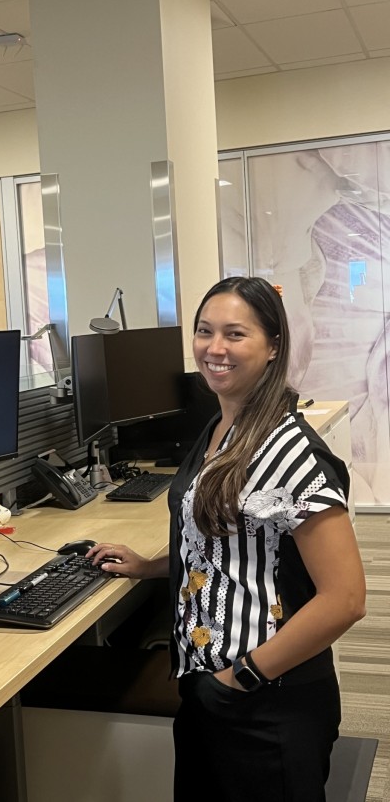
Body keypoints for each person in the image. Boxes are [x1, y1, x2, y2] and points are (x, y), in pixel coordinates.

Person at [88, 276, 366, 802]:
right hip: (209, 685)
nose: (215, 348)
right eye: (204, 331)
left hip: (266, 699)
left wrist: (243, 678)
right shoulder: (221, 428)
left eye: (235, 334)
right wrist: (148, 565)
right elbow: (222, 541)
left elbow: (346, 599)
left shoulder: (288, 452)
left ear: (272, 347)